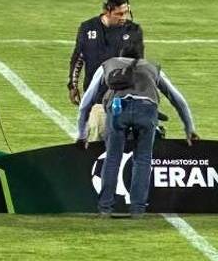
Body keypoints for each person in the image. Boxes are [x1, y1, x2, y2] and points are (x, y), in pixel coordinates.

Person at [76, 43, 198, 218]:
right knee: (143, 160)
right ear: (141, 56)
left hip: (118, 109)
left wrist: (81, 134)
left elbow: (86, 102)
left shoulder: (109, 64)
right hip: (146, 111)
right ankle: (137, 210)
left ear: (120, 54)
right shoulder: (152, 67)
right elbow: (177, 99)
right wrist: (189, 129)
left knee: (112, 158)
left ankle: (105, 208)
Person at [67, 0, 145, 141]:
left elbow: (139, 65)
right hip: (97, 99)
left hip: (124, 99)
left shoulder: (133, 31)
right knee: (98, 140)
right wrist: (73, 85)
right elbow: (78, 58)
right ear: (106, 11)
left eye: (126, 12)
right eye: (119, 14)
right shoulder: (87, 28)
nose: (124, 17)